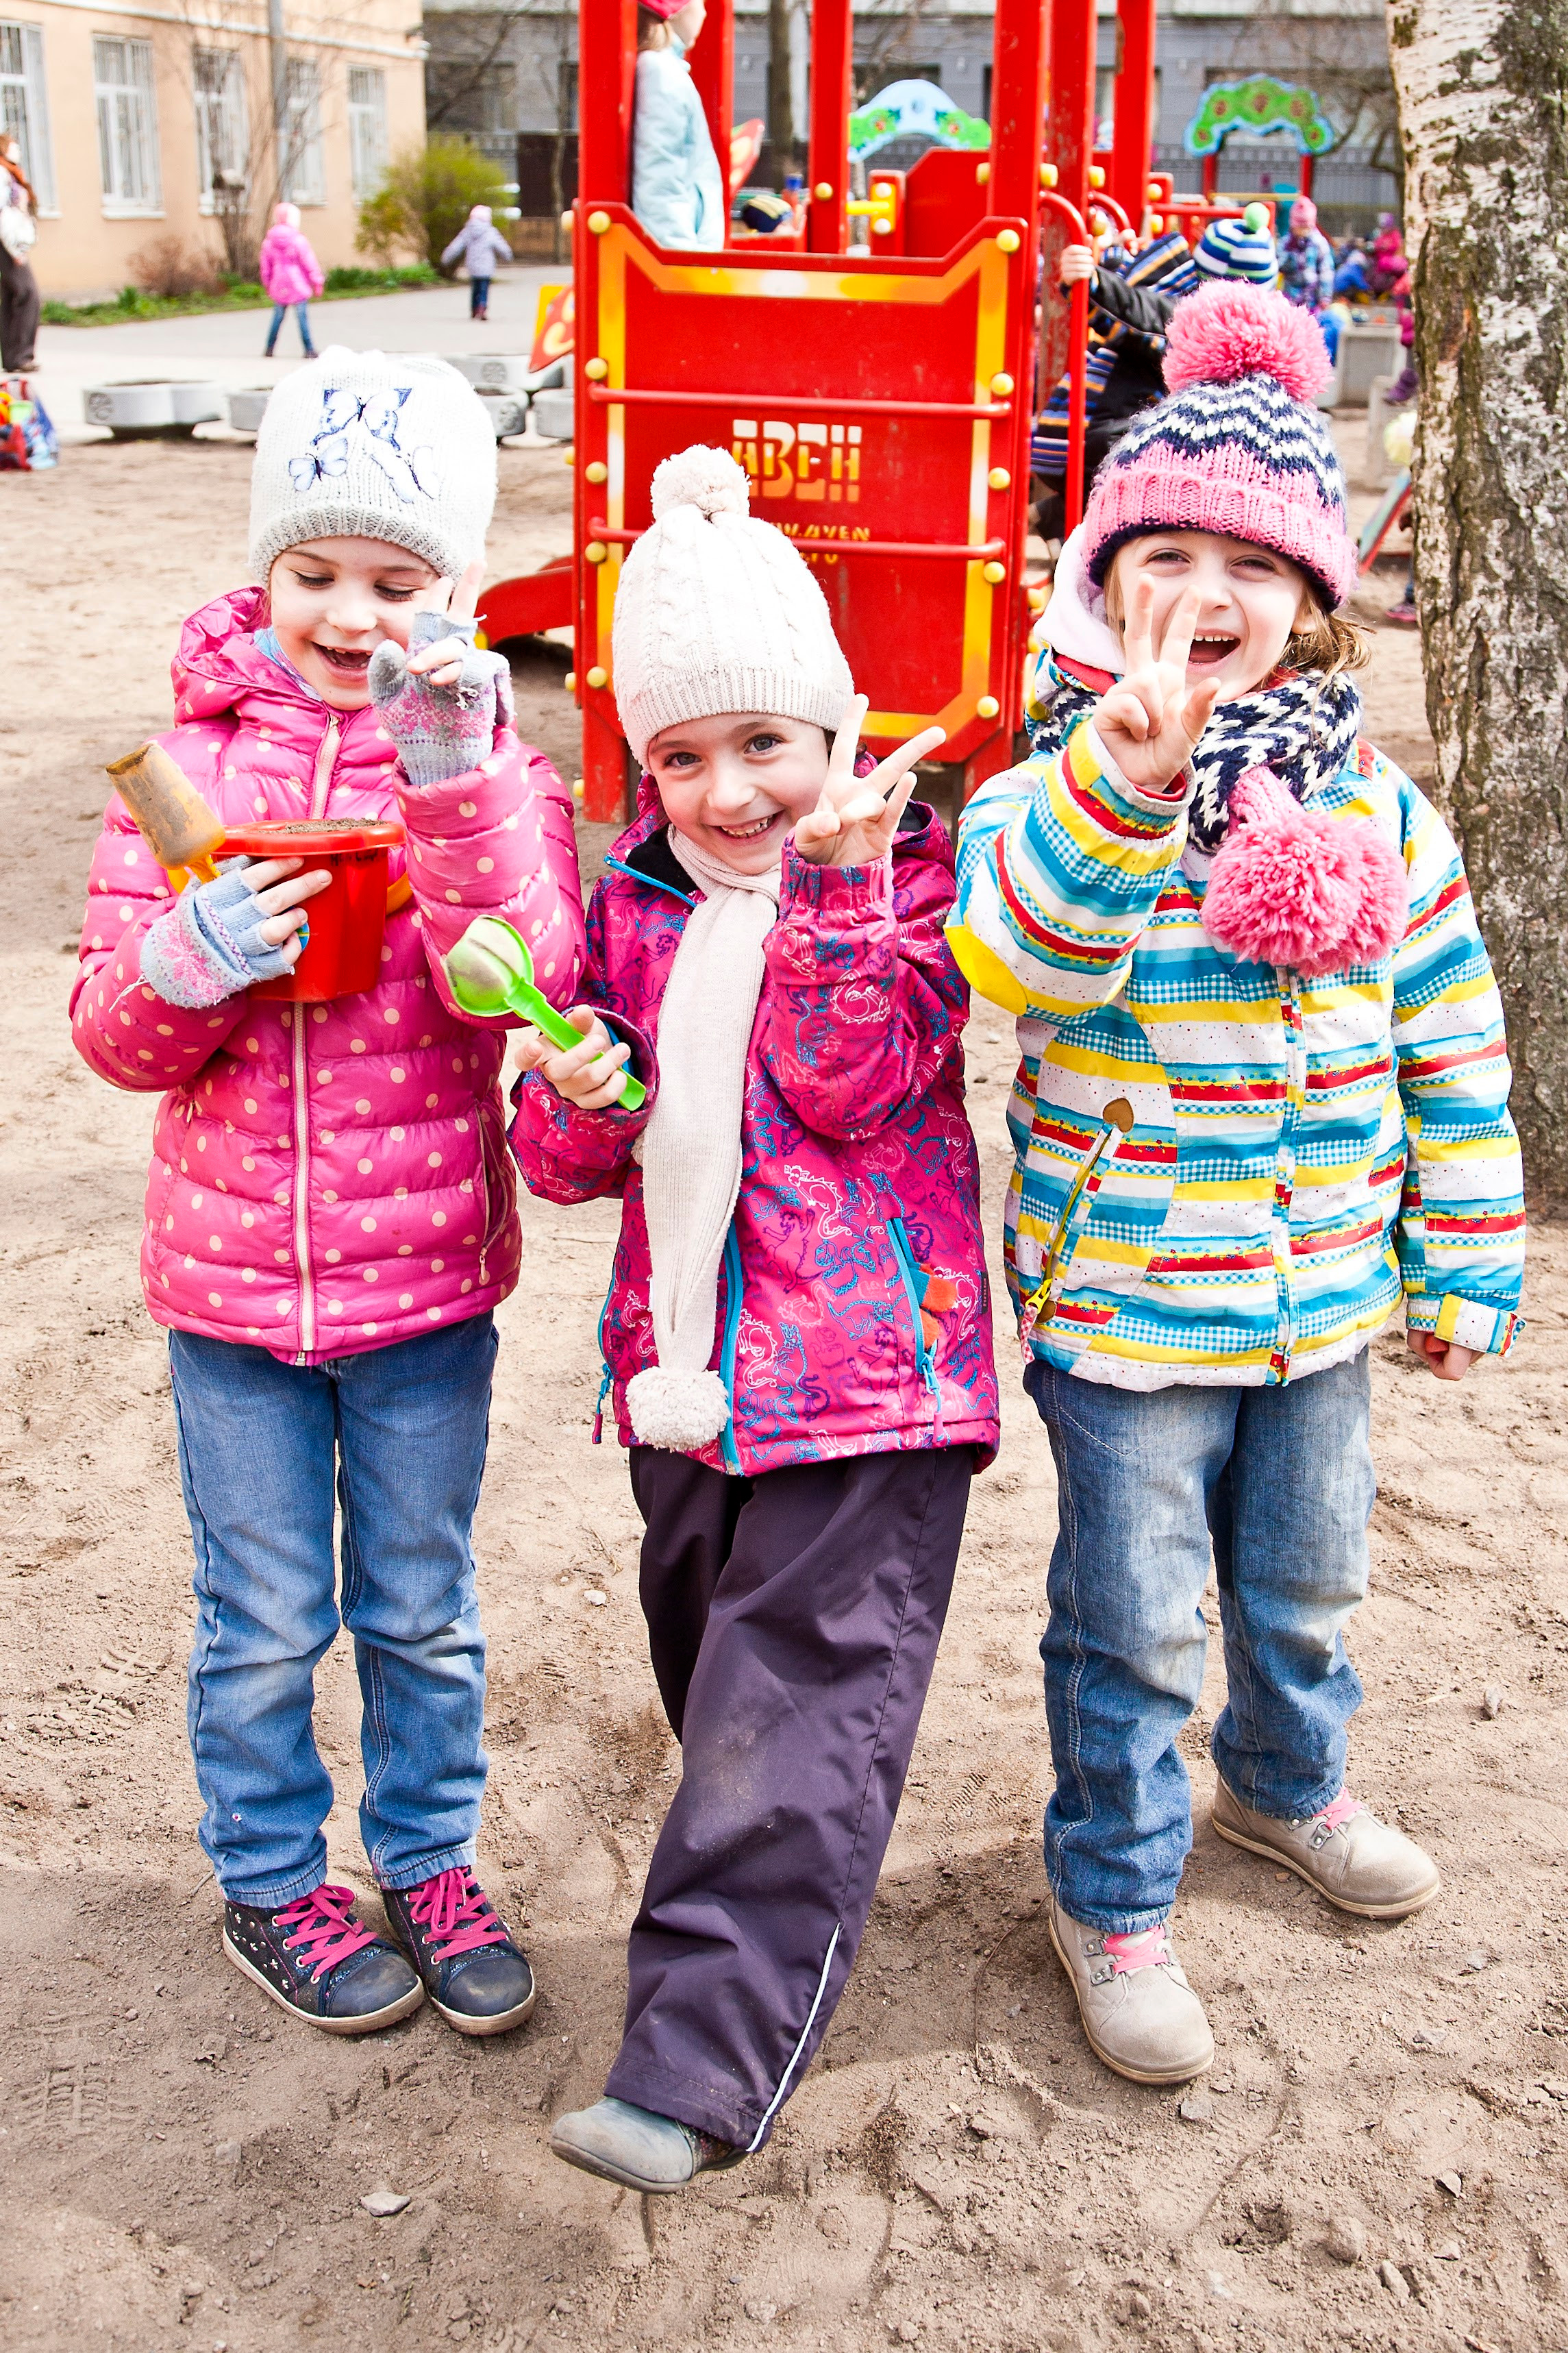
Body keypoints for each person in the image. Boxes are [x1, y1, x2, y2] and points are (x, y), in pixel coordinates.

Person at [950, 284, 1524, 2086]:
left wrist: (1468, 1251)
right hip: (1127, 1308)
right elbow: (1016, 962)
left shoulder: (1380, 816)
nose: (1205, 593)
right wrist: (1122, 789)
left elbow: (1450, 1039)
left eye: (1249, 565)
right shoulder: (1043, 785)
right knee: (1131, 1623)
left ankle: (1285, 1785)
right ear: (1104, 579)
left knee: (1304, 1584)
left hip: (1327, 1295)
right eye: (1163, 551)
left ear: (1309, 601)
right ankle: (1111, 1890)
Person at [71, 349, 587, 2038]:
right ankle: (274, 1878)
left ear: (451, 586)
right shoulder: (186, 772)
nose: (350, 612)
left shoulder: (482, 751)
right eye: (315, 573)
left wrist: (459, 779)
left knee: (422, 1607)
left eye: (396, 578)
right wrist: (185, 955)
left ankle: (428, 1856)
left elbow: (519, 973)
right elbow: (113, 1034)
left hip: (423, 1280)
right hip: (229, 1298)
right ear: (263, 570)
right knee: (263, 1615)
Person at [510, 446, 998, 2191]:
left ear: (838, 731)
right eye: (683, 755)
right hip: (692, 1376)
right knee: (710, 1659)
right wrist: (573, 1089)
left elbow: (853, 1081)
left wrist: (840, 900)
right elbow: (571, 1161)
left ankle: (698, 2064)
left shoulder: (908, 884)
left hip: (872, 1377)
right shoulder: (629, 907)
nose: (730, 793)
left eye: (765, 745)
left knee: (792, 1697)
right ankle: (775, 1902)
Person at [1034, 204, 1277, 520]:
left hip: (1088, 432)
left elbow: (1132, 288)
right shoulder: (1195, 319)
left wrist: (1116, 254)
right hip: (1094, 438)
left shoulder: (1166, 278)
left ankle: (1051, 518)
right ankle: (1057, 523)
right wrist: (1093, 282)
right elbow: (1139, 311)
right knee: (1143, 498)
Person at [631, 0, 726, 251]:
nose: (705, 11)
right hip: (680, 256)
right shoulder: (660, 73)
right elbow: (660, 176)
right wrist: (680, 260)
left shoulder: (665, 70)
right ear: (676, 9)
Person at [258, 201, 322, 358]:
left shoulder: (269, 242)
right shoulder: (298, 240)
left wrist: (267, 283)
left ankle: (269, 348)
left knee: (278, 317)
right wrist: (317, 281)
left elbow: (265, 266)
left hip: (278, 283)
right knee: (302, 318)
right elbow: (309, 261)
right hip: (297, 283)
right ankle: (309, 349)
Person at [0, 134, 40, 373]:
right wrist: (15, 248)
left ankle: (13, 358)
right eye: (14, 146)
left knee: (12, 297)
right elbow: (3, 212)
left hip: (8, 243)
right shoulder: (2, 173)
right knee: (28, 295)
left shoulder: (10, 172)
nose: (18, 150)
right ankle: (21, 356)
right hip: (8, 244)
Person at [1278, 195, 1337, 358]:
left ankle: (1310, 357)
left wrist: (1325, 295)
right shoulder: (1287, 243)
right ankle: (1290, 355)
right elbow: (1279, 263)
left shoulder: (1319, 243)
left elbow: (1326, 270)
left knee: (1312, 327)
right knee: (1290, 328)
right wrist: (1288, 261)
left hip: (1312, 294)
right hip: (1291, 293)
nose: (1303, 232)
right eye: (1300, 227)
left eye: (1306, 228)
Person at [440, 204, 514, 323]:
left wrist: (446, 257)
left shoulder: (467, 231)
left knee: (475, 287)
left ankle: (474, 309)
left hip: (473, 265)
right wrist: (508, 255)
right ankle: (482, 308)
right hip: (486, 266)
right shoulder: (491, 232)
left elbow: (456, 246)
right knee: (484, 288)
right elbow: (501, 246)